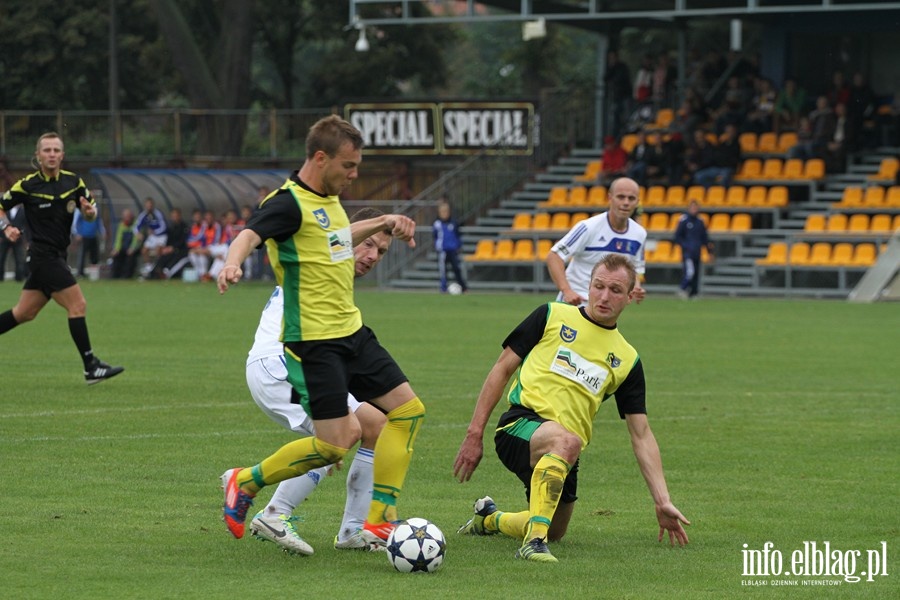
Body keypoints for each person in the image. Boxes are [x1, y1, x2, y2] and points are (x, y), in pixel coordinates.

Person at [216, 115, 424, 549]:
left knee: (402, 414)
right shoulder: (287, 202)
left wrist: (383, 220)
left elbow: (338, 238)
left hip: (350, 333)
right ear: (320, 157)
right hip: (306, 348)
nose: (354, 176)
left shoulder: (329, 201)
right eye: (348, 167)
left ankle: (376, 521)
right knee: (336, 443)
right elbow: (249, 233)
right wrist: (232, 261)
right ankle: (251, 486)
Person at [452, 254, 690, 563]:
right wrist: (474, 433)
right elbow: (501, 369)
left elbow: (641, 434)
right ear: (589, 286)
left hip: (565, 451)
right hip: (519, 425)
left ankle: (490, 519)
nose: (604, 296)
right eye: (598, 286)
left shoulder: (627, 359)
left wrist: (662, 500)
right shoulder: (551, 315)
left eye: (615, 290)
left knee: (556, 529)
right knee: (566, 443)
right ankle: (532, 545)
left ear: (631, 296)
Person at [247, 207, 393, 555]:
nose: (372, 256)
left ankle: (353, 531)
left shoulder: (338, 279)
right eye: (367, 244)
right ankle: (274, 513)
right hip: (278, 363)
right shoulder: (326, 259)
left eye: (382, 252)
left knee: (374, 424)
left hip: (300, 363)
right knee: (343, 434)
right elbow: (334, 240)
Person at [0, 132, 123, 383]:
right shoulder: (27, 185)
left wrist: (89, 212)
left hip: (57, 255)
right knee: (77, 305)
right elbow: (1, 206)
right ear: (38, 155)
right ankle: (91, 366)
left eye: (56, 150)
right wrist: (5, 227)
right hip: (42, 257)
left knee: (24, 313)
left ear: (62, 155)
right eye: (47, 150)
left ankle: (91, 366)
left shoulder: (74, 182)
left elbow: (90, 213)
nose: (52, 154)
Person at [546, 177, 647, 306]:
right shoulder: (588, 227)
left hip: (606, 307)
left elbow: (635, 267)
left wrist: (636, 287)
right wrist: (567, 291)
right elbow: (554, 256)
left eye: (631, 198)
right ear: (610, 198)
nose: (626, 202)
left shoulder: (639, 233)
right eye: (621, 197)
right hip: (575, 303)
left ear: (637, 202)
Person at [673, 200, 714, 299]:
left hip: (697, 252)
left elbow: (704, 238)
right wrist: (685, 246)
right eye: (692, 208)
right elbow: (677, 236)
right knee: (690, 272)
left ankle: (694, 293)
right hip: (687, 253)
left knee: (696, 273)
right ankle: (683, 289)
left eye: (696, 208)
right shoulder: (684, 220)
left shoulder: (700, 221)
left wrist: (709, 252)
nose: (694, 210)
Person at [432, 199, 468, 294]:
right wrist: (437, 246)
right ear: (439, 213)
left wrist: (458, 245)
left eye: (446, 211)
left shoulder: (454, 223)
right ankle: (443, 288)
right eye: (442, 212)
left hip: (453, 250)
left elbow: (458, 235)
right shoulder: (437, 224)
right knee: (443, 270)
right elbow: (435, 236)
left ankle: (463, 287)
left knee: (456, 268)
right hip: (443, 250)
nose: (444, 213)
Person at [148, 207, 190, 279]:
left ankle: (166, 273)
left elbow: (183, 241)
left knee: (175, 258)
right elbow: (168, 240)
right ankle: (154, 271)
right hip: (171, 250)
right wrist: (165, 248)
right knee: (163, 256)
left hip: (181, 251)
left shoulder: (184, 227)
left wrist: (173, 248)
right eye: (173, 216)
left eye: (176, 216)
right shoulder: (171, 228)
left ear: (179, 216)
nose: (174, 218)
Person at [134, 197, 168, 277]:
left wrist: (155, 232)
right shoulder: (144, 215)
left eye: (150, 205)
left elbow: (164, 226)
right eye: (147, 205)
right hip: (152, 237)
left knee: (158, 250)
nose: (149, 207)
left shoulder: (158, 213)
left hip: (161, 236)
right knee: (144, 250)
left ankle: (159, 268)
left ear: (153, 205)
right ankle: (149, 268)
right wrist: (137, 234)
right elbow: (136, 226)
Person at [72, 204, 106, 278]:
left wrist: (102, 232)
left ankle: (93, 275)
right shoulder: (81, 210)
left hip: (93, 236)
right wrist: (77, 233)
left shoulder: (96, 210)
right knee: (82, 255)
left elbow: (99, 222)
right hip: (84, 236)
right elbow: (75, 222)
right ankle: (80, 273)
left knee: (94, 256)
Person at [109, 208, 141, 279]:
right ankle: (115, 276)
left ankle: (127, 276)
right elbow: (118, 239)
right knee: (116, 256)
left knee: (130, 258)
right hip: (123, 248)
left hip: (132, 249)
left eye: (128, 217)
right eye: (125, 217)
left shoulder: (136, 225)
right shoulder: (121, 225)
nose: (127, 219)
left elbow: (136, 239)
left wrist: (132, 248)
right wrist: (116, 249)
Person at [0, 202, 28, 282]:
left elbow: (26, 225)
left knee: (19, 259)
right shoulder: (4, 211)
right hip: (4, 238)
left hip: (19, 239)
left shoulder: (23, 211)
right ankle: (0, 277)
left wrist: (25, 239)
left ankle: (19, 277)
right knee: (1, 258)